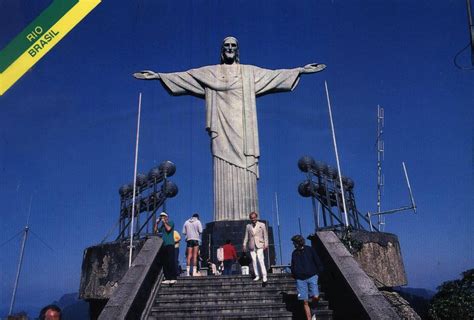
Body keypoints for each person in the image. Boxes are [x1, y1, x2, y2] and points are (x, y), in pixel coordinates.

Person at [134, 37, 326, 221]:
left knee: (246, 166)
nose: (230, 49)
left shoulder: (249, 73)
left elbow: (275, 75)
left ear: (237, 50)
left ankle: (249, 216)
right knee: (222, 164)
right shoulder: (211, 73)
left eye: (233, 46)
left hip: (244, 129)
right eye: (227, 46)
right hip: (222, 129)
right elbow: (187, 77)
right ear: (221, 50)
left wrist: (299, 71)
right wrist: (159, 76)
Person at [290, 235, 324, 320]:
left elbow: (317, 260)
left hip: (312, 276)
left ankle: (313, 310)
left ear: (298, 243)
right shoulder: (294, 253)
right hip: (300, 279)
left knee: (315, 296)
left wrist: (318, 273)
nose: (293, 244)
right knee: (304, 301)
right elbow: (293, 265)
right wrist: (295, 274)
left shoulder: (310, 249)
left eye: (294, 242)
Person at [243, 212, 268, 283]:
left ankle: (264, 275)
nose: (253, 219)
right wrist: (244, 244)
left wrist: (266, 244)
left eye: (254, 217)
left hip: (260, 244)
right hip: (252, 245)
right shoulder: (248, 226)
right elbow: (246, 236)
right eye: (252, 218)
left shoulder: (262, 225)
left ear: (256, 217)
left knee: (261, 260)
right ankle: (257, 275)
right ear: (250, 218)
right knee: (254, 261)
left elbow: (265, 235)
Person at [155, 212, 177, 284]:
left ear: (167, 217)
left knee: (171, 261)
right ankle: (167, 277)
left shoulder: (171, 222)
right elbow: (156, 231)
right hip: (164, 245)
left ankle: (173, 277)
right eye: (161, 217)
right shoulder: (162, 226)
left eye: (163, 216)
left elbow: (168, 229)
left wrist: (164, 222)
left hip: (170, 244)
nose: (162, 218)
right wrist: (157, 223)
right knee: (165, 262)